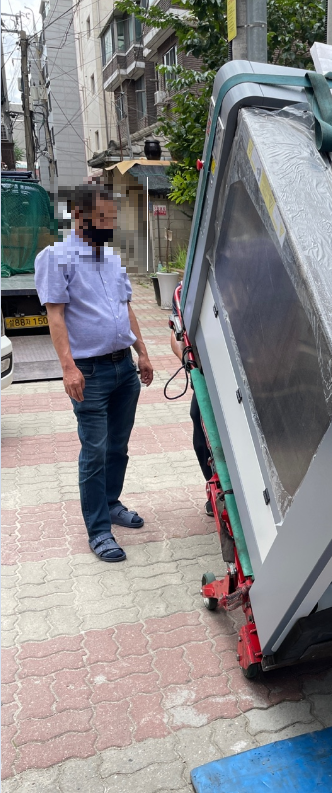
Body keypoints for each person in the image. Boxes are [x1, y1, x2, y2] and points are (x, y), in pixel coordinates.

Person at [35, 183, 154, 562]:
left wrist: (143, 352)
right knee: (95, 449)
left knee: (118, 445)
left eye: (112, 218)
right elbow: (55, 316)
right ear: (80, 216)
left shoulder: (112, 259)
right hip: (90, 373)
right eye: (102, 218)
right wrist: (68, 368)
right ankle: (99, 530)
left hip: (124, 369)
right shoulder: (57, 258)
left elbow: (126, 307)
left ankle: (111, 503)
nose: (109, 225)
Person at [170, 281, 214, 516]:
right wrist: (187, 360)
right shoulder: (184, 291)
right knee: (198, 416)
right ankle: (214, 484)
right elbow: (176, 335)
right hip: (205, 372)